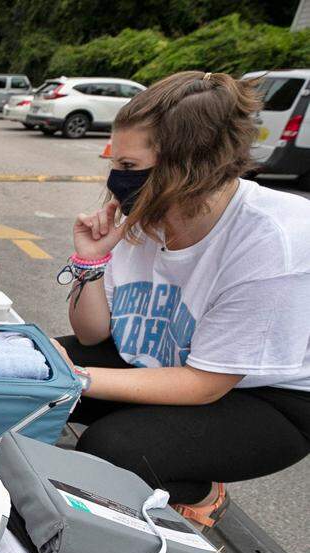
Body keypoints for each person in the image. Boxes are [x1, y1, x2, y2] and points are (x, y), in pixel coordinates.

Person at [52, 70, 310, 527]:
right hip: (166, 359)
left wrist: (78, 377)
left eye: (130, 168)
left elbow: (206, 384)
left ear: (188, 165)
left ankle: (196, 488)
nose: (116, 181)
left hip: (266, 398)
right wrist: (89, 261)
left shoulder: (273, 240)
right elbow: (93, 332)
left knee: (114, 451)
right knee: (31, 385)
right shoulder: (148, 217)